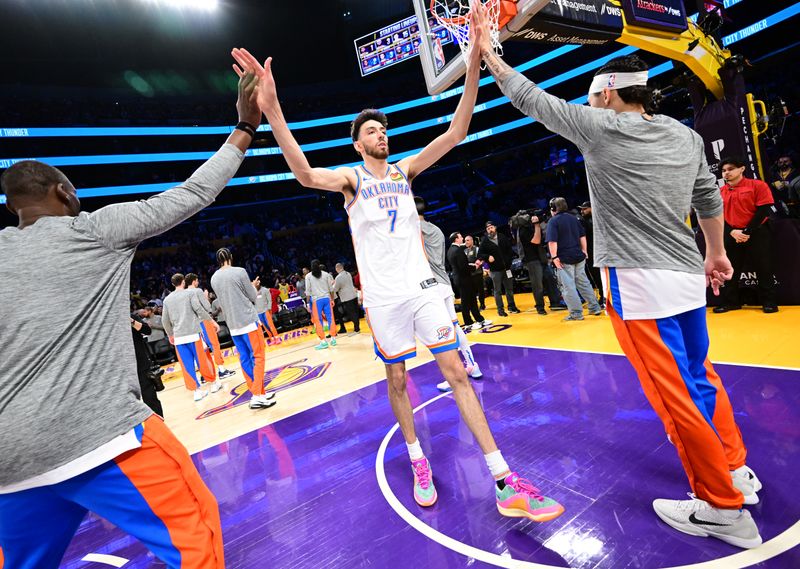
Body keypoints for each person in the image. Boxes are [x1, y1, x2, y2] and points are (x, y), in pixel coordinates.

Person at [232, 39, 563, 520]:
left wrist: (472, 65)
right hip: (384, 300)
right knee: (398, 380)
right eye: (372, 131)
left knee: (457, 374)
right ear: (357, 143)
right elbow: (303, 174)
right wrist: (274, 110)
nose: (381, 135)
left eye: (383, 130)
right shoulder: (350, 179)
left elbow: (456, 130)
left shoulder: (405, 171)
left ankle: (502, 478)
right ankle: (416, 457)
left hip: (422, 291)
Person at [473, 2, 760, 548]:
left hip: (638, 282)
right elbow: (706, 199)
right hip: (685, 274)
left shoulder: (600, 127)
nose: (588, 103)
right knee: (702, 377)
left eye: (592, 96)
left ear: (607, 95)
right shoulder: (686, 135)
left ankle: (722, 508)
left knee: (674, 396)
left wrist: (490, 53)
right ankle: (737, 472)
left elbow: (530, 99)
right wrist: (716, 254)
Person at [0, 70, 260, 567]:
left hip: (9, 463)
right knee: (195, 536)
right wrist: (245, 127)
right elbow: (192, 194)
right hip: (100, 436)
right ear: (61, 192)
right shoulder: (91, 230)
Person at [415, 197, 484, 391]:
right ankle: (472, 365)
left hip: (430, 286)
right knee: (455, 327)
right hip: (444, 283)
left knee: (441, 334)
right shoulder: (435, 229)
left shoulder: (412, 229)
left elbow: (421, 256)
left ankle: (455, 374)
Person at [210, 248, 277, 410]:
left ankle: (259, 392)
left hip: (232, 324)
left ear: (218, 261)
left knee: (245, 359)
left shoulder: (214, 278)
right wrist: (253, 286)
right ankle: (257, 395)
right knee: (258, 357)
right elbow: (252, 297)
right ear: (230, 257)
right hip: (247, 320)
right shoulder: (239, 272)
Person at [714, 157, 778, 314]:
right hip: (731, 233)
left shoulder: (757, 185)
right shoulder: (719, 192)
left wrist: (747, 231)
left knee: (763, 267)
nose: (726, 173)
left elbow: (764, 209)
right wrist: (731, 231)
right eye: (723, 170)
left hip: (757, 232)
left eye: (730, 169)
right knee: (730, 269)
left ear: (742, 169)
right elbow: (717, 215)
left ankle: (768, 302)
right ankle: (731, 302)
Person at [162, 273, 221, 402]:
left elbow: (164, 321)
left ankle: (196, 391)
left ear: (173, 284)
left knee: (187, 366)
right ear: (183, 282)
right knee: (202, 361)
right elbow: (199, 310)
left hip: (179, 338)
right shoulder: (190, 294)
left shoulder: (167, 300)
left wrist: (170, 335)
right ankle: (213, 383)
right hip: (193, 334)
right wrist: (213, 322)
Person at [545, 197, 603, 321]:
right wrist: (585, 251)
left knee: (568, 287)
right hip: (578, 256)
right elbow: (582, 236)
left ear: (553, 208)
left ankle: (576, 313)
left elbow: (552, 242)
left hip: (564, 259)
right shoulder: (574, 218)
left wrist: (554, 257)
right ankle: (595, 307)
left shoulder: (553, 221)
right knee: (584, 283)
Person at [186, 272, 236, 378]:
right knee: (214, 345)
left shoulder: (185, 293)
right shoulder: (197, 291)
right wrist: (206, 297)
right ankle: (222, 370)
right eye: (197, 280)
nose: (198, 282)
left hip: (194, 325)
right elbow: (207, 307)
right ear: (194, 281)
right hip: (204, 321)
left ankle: (205, 374)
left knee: (202, 349)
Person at [448, 232, 490, 329]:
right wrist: (474, 267)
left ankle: (479, 320)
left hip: (460, 278)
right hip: (464, 279)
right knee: (467, 302)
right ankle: (468, 322)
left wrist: (469, 266)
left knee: (471, 300)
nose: (462, 238)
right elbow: (463, 267)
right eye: (461, 236)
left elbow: (459, 266)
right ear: (456, 239)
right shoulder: (457, 250)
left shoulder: (450, 250)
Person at [478, 221, 520, 317]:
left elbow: (509, 250)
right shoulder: (485, 240)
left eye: (491, 227)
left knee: (509, 289)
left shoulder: (502, 236)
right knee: (497, 291)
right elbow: (480, 254)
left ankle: (511, 306)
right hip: (495, 270)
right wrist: (487, 256)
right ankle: (500, 310)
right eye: (488, 229)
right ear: (486, 230)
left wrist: (509, 261)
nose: (490, 230)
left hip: (507, 268)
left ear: (495, 227)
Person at [514, 209, 548, 315]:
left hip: (540, 257)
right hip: (532, 260)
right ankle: (540, 307)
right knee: (537, 285)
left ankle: (555, 302)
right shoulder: (523, 230)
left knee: (549, 280)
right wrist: (537, 225)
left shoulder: (528, 228)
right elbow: (536, 240)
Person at [131, 313, 164, 416]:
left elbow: (147, 330)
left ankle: (159, 422)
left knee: (149, 397)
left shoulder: (131, 317)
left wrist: (131, 321)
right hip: (123, 368)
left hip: (141, 364)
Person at [305, 259, 338, 350]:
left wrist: (308, 304)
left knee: (318, 320)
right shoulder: (326, 274)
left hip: (316, 300)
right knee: (330, 318)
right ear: (319, 265)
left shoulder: (308, 276)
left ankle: (323, 342)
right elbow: (331, 289)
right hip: (327, 298)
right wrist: (332, 299)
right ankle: (333, 339)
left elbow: (308, 292)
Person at [579, 201, 605, 308]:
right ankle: (602, 295)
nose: (582, 211)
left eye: (585, 209)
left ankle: (604, 296)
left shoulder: (598, 219)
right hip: (590, 253)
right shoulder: (583, 221)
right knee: (595, 276)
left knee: (600, 276)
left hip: (600, 252)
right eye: (581, 209)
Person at [334, 262, 361, 334]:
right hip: (353, 295)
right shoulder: (348, 273)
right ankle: (357, 327)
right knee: (355, 312)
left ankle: (357, 329)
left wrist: (333, 285)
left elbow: (335, 289)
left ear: (337, 268)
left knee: (351, 314)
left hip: (347, 298)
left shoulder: (338, 277)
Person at [254, 276, 281, 343]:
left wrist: (269, 309)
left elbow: (269, 301)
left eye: (256, 281)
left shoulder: (265, 290)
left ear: (259, 282)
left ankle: (277, 337)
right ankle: (271, 338)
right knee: (265, 327)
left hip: (266, 311)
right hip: (258, 312)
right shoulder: (253, 292)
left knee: (270, 325)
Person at [464, 235, 486, 309]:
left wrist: (479, 263)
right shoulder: (465, 251)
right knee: (472, 291)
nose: (466, 242)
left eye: (467, 240)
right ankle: (475, 306)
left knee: (480, 290)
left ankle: (482, 304)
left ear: (472, 241)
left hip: (477, 273)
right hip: (469, 274)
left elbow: (482, 259)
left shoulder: (477, 249)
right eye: (465, 240)